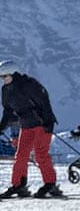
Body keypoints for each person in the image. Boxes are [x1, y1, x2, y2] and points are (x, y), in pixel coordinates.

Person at [0, 63, 62, 199]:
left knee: (41, 155)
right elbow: (8, 112)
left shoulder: (29, 84)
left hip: (42, 123)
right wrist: (1, 127)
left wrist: (47, 122)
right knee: (21, 155)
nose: (3, 79)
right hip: (26, 125)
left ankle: (50, 184)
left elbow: (44, 102)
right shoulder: (6, 90)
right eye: (1, 77)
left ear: (13, 74)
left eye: (5, 76)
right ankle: (19, 185)